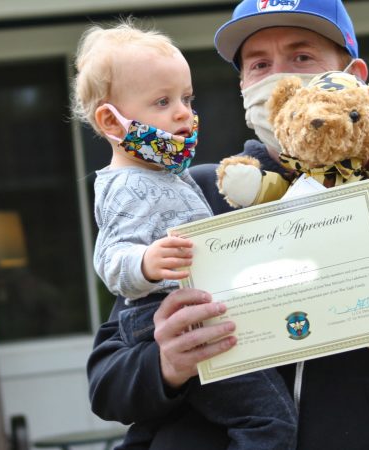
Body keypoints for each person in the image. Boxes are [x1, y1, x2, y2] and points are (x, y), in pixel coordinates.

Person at [87, 1, 369, 448]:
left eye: (301, 56)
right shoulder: (196, 194)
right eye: (259, 64)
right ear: (243, 86)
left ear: (355, 77)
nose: (278, 76)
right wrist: (165, 366)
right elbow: (107, 382)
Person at [74, 21, 296, 449]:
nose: (183, 113)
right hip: (175, 319)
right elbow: (109, 259)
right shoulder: (126, 185)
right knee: (269, 422)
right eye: (163, 101)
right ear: (110, 120)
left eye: (186, 98)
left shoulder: (166, 174)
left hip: (196, 312)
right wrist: (146, 263)